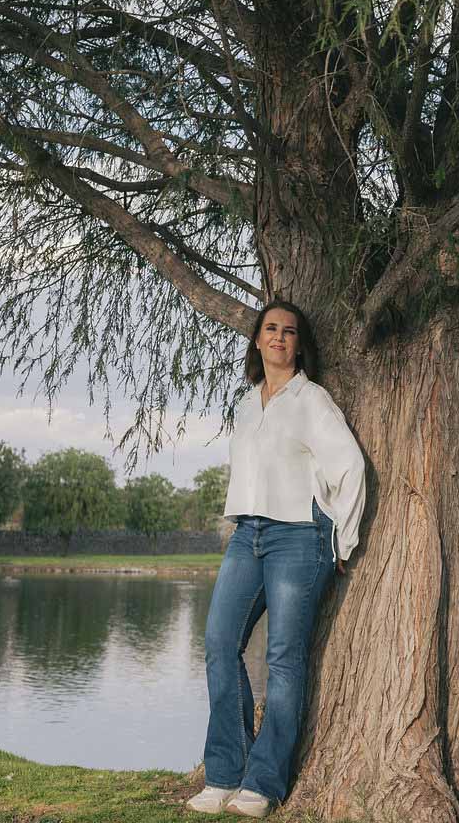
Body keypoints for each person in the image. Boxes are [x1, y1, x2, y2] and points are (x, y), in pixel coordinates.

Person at [186, 299, 367, 819]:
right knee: (221, 643)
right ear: (258, 339)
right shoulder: (246, 403)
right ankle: (223, 773)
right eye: (271, 329)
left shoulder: (312, 400)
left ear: (298, 343)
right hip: (246, 534)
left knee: (284, 660)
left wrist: (341, 540)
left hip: (298, 538)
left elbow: (350, 468)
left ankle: (262, 784)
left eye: (289, 332)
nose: (280, 338)